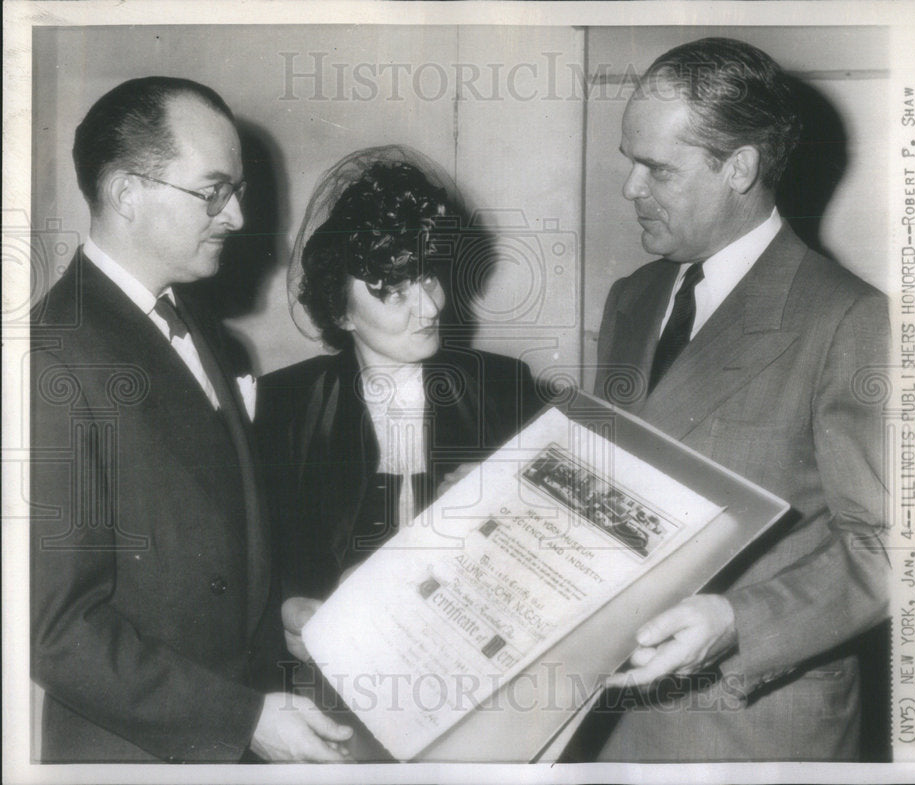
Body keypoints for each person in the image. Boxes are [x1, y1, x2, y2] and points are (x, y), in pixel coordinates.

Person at [30, 76, 353, 762]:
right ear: (126, 193)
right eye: (213, 191)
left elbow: (210, 547)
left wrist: (280, 620)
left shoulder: (191, 326)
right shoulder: (51, 354)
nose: (236, 217)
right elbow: (56, 630)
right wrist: (243, 718)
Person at [588, 38, 889, 760]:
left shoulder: (850, 319)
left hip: (751, 731)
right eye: (630, 159)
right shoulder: (632, 299)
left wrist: (737, 621)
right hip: (612, 722)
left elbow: (889, 548)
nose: (630, 187)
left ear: (741, 168)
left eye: (656, 168)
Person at [256, 148, 541, 627]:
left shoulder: (505, 387)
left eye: (427, 277)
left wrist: (503, 498)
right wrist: (286, 613)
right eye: (393, 292)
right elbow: (257, 563)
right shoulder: (282, 404)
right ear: (340, 312)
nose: (430, 308)